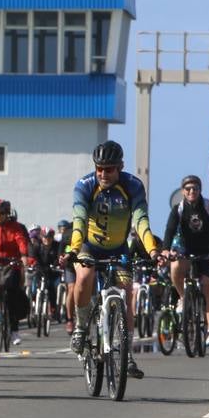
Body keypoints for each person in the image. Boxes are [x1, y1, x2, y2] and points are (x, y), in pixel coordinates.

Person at [65, 140, 160, 379]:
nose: (103, 174)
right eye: (99, 169)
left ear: (120, 167)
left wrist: (152, 250)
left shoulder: (133, 185)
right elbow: (78, 220)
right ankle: (80, 325)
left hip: (119, 249)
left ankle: (127, 356)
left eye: (109, 169)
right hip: (88, 245)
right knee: (85, 276)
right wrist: (73, 249)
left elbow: (141, 222)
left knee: (126, 291)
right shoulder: (85, 185)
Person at [162, 175, 209, 351]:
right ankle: (182, 297)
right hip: (187, 250)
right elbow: (170, 230)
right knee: (176, 266)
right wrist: (165, 249)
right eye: (188, 189)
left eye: (195, 188)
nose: (191, 192)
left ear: (200, 190)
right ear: (182, 191)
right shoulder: (178, 209)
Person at [0, 199, 30, 347]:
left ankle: (14, 330)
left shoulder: (14, 227)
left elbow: (21, 240)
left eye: (2, 213)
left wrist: (23, 257)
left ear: (7, 213)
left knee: (12, 296)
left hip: (12, 265)